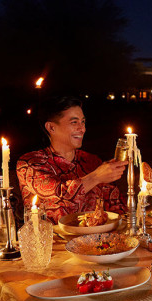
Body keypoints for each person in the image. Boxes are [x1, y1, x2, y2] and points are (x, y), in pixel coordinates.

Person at [17, 95, 127, 224]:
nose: (82, 129)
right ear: (51, 127)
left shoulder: (91, 161)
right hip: (51, 236)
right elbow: (62, 196)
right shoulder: (31, 164)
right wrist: (96, 176)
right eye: (74, 122)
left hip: (98, 236)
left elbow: (117, 207)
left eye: (83, 122)